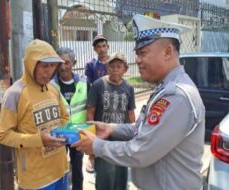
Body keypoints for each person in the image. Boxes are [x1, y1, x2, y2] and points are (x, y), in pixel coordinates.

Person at [72, 14, 205, 190]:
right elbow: (144, 129)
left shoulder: (176, 96)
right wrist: (111, 128)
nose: (137, 60)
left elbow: (140, 151)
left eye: (143, 53)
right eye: (137, 53)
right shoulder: (166, 88)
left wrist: (97, 146)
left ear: (168, 52)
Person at [0, 39, 70, 190]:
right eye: (44, 66)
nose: (49, 71)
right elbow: (2, 135)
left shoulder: (53, 88)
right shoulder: (15, 94)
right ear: (31, 65)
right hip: (36, 179)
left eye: (52, 66)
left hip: (61, 170)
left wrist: (66, 133)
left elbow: (65, 118)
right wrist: (38, 139)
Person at [87, 52, 136, 190]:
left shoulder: (129, 87)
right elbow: (90, 112)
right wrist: (91, 138)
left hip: (121, 140)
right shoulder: (98, 85)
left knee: (121, 176)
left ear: (125, 69)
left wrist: (135, 136)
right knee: (105, 176)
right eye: (112, 66)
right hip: (102, 140)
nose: (115, 70)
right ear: (107, 68)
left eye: (118, 66)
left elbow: (131, 113)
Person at [51, 47, 88, 190]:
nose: (63, 67)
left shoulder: (84, 83)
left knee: (77, 168)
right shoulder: (51, 85)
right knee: (58, 167)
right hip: (58, 133)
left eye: (67, 62)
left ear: (74, 63)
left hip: (77, 133)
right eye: (60, 63)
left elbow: (90, 108)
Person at [84, 34, 110, 173]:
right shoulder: (90, 65)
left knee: (111, 127)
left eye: (104, 46)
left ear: (108, 46)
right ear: (94, 49)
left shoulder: (114, 62)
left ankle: (109, 154)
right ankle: (92, 157)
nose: (102, 49)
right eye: (98, 47)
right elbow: (88, 84)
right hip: (96, 102)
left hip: (111, 101)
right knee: (93, 127)